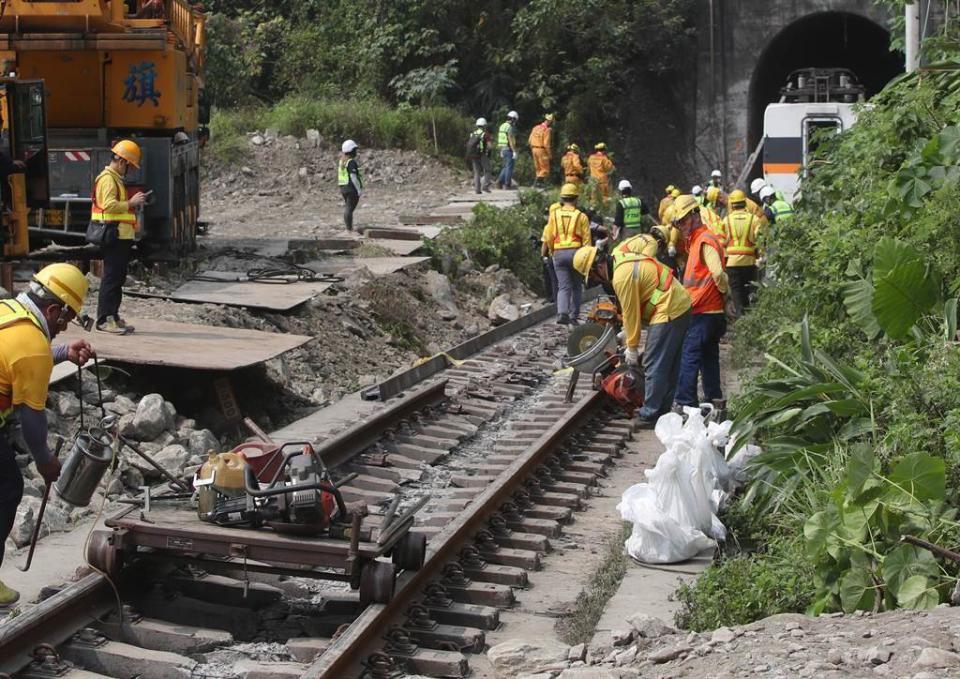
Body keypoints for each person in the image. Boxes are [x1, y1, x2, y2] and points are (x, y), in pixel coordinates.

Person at [0, 264, 95, 605]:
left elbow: (19, 359)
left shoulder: (7, 310)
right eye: (64, 320)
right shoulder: (33, 346)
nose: (62, 327)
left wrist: (62, 352)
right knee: (7, 488)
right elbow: (31, 418)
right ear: (52, 309)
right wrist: (45, 462)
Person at [572, 239, 691, 429]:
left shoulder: (621, 277)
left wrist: (632, 348)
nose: (598, 280)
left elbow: (631, 313)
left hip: (668, 308)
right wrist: (625, 334)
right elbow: (631, 311)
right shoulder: (620, 256)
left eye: (594, 276)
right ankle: (662, 412)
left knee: (653, 362)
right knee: (669, 364)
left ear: (599, 266)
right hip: (679, 303)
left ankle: (650, 413)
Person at [672, 195, 729, 409]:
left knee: (689, 356)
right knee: (708, 356)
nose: (681, 226)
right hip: (709, 311)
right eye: (679, 222)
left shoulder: (705, 240)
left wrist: (724, 291)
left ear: (695, 215)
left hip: (703, 311)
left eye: (684, 220)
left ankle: (686, 401)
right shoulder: (696, 240)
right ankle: (714, 398)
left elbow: (718, 273)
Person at [92, 139, 147, 335]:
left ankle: (113, 316)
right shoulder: (107, 179)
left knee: (118, 278)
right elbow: (108, 205)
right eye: (130, 166)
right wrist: (131, 202)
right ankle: (104, 319)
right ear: (122, 161)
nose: (129, 171)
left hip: (121, 237)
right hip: (113, 236)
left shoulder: (115, 178)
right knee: (111, 279)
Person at [541, 183, 590, 324]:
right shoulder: (581, 216)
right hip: (576, 253)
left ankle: (562, 313)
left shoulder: (554, 215)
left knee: (563, 286)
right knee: (576, 286)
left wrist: (552, 251)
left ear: (562, 199)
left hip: (559, 253)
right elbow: (587, 241)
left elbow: (549, 236)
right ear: (576, 199)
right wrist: (586, 260)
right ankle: (573, 316)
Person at [722, 189, 763, 314]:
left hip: (732, 264)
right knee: (750, 290)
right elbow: (760, 239)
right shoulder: (754, 219)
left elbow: (722, 241)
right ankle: (752, 316)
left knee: (737, 291)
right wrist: (761, 256)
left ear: (732, 204)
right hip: (749, 262)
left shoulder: (726, 220)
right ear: (744, 202)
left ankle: (741, 317)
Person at [338, 139, 363, 232]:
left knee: (348, 207)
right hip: (351, 188)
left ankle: (349, 227)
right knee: (349, 208)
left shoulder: (342, 161)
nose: (356, 152)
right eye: (354, 150)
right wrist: (358, 189)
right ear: (351, 150)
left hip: (343, 187)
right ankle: (349, 228)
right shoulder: (351, 162)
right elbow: (353, 177)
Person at [467, 118, 493, 194]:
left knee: (477, 172)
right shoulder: (485, 134)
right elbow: (489, 146)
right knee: (488, 170)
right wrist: (489, 152)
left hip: (473, 155)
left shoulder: (473, 133)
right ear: (484, 125)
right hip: (482, 154)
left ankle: (477, 190)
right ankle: (485, 186)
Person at [528, 114, 554, 187]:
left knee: (538, 168)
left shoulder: (535, 127)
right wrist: (549, 154)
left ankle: (539, 184)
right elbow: (546, 144)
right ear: (550, 121)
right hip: (541, 150)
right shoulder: (547, 130)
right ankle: (536, 184)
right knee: (545, 168)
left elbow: (529, 140)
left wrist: (533, 148)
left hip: (534, 149)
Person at [496, 111, 519, 190]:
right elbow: (510, 139)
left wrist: (501, 150)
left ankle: (499, 181)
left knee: (506, 166)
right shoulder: (509, 127)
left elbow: (500, 138)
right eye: (515, 120)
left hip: (503, 148)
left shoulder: (502, 126)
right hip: (509, 149)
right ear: (513, 119)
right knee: (509, 167)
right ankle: (507, 184)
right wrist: (514, 151)